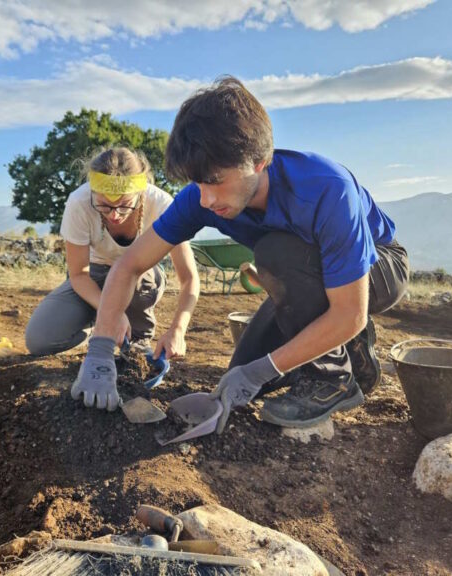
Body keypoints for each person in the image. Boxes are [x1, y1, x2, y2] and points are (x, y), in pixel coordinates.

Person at [71, 77, 409, 431]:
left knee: (276, 254)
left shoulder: (326, 189)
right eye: (196, 183)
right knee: (240, 374)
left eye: (215, 181)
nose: (205, 199)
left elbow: (349, 311)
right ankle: (355, 357)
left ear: (260, 161)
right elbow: (128, 266)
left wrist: (266, 368)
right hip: (308, 279)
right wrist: (100, 350)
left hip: (380, 266)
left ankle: (333, 380)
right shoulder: (201, 197)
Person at [25, 147, 200, 402]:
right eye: (104, 206)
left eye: (124, 206)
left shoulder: (162, 205)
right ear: (93, 192)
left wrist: (178, 329)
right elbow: (78, 275)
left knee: (139, 276)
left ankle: (138, 340)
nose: (115, 215)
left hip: (141, 276)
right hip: (93, 277)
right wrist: (111, 312)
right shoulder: (79, 202)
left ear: (140, 193)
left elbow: (190, 279)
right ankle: (99, 326)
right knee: (39, 340)